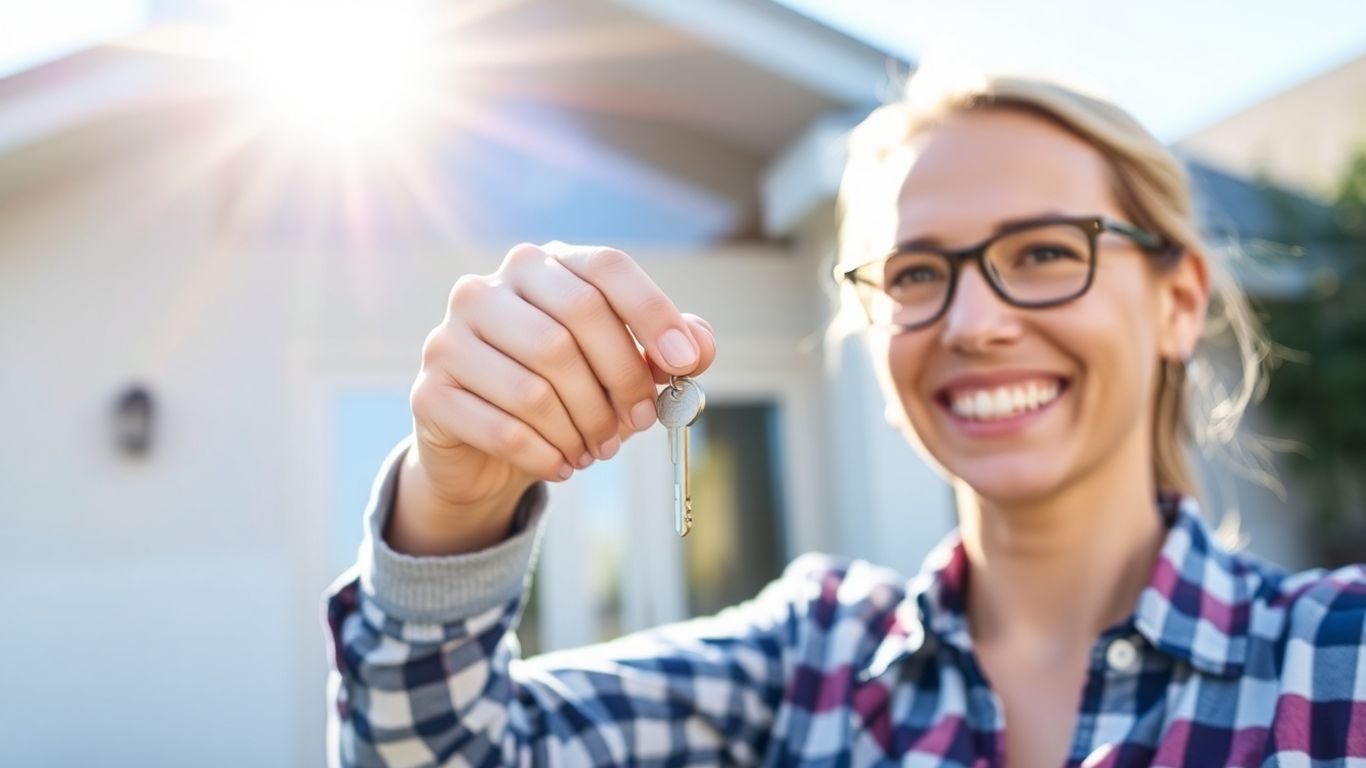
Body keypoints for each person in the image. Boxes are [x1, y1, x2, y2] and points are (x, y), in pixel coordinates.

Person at [323, 64, 1366, 767]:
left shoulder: (1336, 660)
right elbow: (440, 751)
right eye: (917, 273)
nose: (972, 321)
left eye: (1045, 252)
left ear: (1177, 301)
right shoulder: (808, 663)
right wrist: (453, 498)